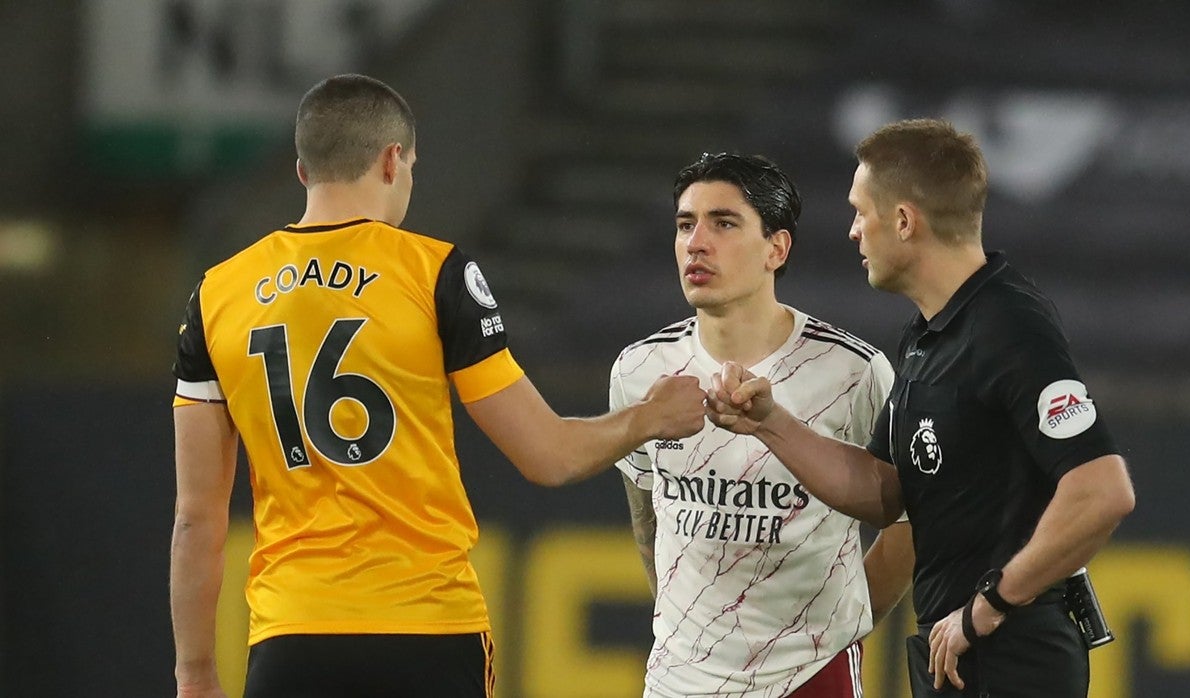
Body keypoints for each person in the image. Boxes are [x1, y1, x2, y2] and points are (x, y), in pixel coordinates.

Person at [169, 74, 707, 698]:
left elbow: (195, 520)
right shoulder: (435, 273)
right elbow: (549, 456)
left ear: (302, 171)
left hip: (293, 635)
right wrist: (650, 416)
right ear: (393, 160)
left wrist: (195, 671)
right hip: (427, 629)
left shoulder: (216, 295)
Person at [704, 119, 1136, 697]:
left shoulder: (1008, 325)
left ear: (905, 221)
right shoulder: (929, 335)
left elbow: (1102, 491)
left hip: (1010, 656)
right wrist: (771, 423)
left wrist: (989, 604)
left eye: (862, 212)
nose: (854, 231)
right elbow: (884, 490)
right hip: (962, 653)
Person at [611, 152, 914, 698]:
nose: (696, 243)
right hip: (678, 680)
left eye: (723, 223)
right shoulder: (639, 370)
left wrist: (842, 623)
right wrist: (691, 629)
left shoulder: (852, 372)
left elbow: (912, 519)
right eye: (685, 225)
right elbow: (645, 506)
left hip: (808, 677)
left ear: (777, 248)